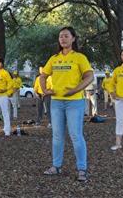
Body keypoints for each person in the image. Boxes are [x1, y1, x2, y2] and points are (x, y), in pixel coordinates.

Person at [41, 26, 94, 182]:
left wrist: (75, 90)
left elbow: (89, 76)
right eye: (60, 37)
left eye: (66, 36)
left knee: (76, 135)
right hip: (56, 102)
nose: (62, 39)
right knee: (57, 136)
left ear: (73, 38)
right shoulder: (54, 58)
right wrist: (45, 90)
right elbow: (43, 75)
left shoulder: (79, 57)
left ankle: (82, 169)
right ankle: (56, 166)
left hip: (75, 103)